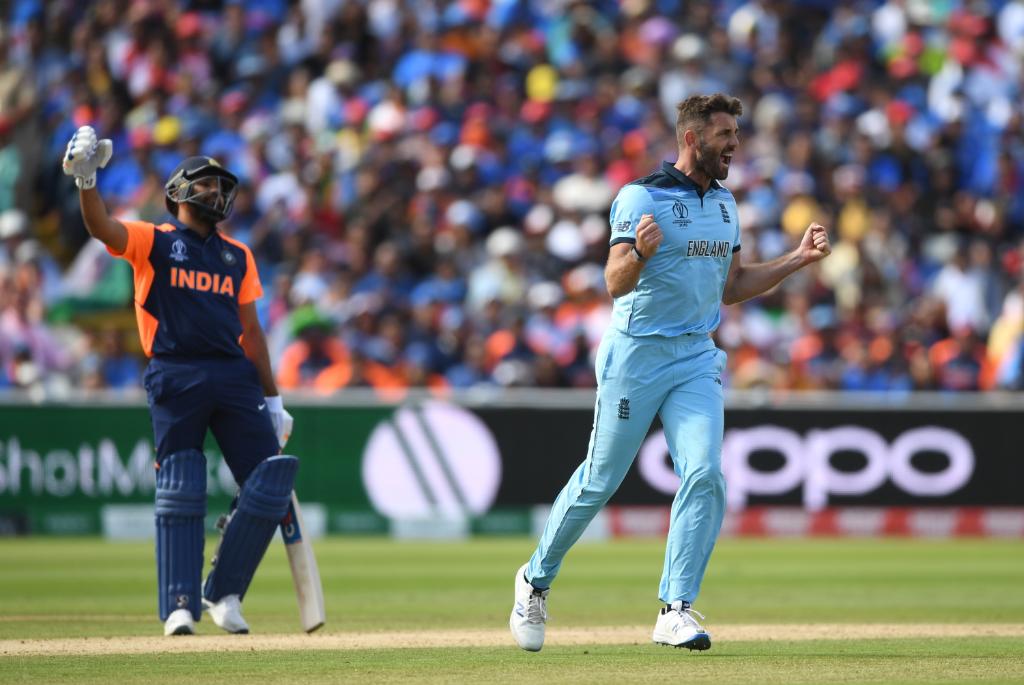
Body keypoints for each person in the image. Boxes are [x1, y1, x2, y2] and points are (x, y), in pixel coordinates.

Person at [509, 94, 831, 652]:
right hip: (636, 355)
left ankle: (674, 609)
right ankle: (534, 581)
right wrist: (637, 252)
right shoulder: (641, 195)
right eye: (725, 134)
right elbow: (614, 283)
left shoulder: (726, 203)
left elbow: (733, 287)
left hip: (695, 357)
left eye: (736, 134)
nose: (734, 144)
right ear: (692, 138)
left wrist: (796, 259)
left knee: (705, 473)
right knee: (600, 480)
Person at [63, 126, 298, 636]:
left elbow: (252, 332)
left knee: (270, 481)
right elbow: (102, 227)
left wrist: (274, 399)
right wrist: (87, 180)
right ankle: (179, 603)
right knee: (182, 482)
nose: (216, 192)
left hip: (234, 376)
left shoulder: (238, 256)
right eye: (206, 184)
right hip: (175, 371)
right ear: (178, 193)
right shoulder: (155, 240)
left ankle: (225, 592)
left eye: (221, 186)